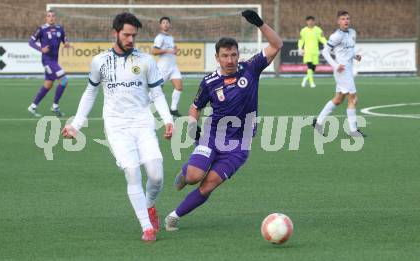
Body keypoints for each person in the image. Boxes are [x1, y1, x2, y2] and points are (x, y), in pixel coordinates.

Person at [164, 10, 282, 231]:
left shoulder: (251, 68)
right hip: (212, 136)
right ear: (217, 57)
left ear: (238, 55)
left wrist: (259, 23)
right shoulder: (209, 81)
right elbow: (195, 106)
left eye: (233, 55)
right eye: (225, 56)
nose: (230, 60)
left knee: (208, 185)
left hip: (239, 145)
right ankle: (184, 173)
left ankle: (174, 215)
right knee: (194, 176)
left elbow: (276, 45)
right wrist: (191, 124)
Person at [62, 12, 174, 242]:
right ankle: (147, 227)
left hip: (143, 123)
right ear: (115, 33)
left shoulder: (146, 61)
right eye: (126, 34)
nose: (131, 39)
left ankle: (149, 205)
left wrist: (168, 120)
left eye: (134, 35)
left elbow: (157, 93)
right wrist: (76, 125)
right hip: (116, 126)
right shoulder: (100, 61)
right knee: (132, 171)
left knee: (156, 176)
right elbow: (90, 92)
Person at [313, 11, 366, 137]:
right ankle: (353, 130)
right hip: (342, 72)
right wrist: (336, 66)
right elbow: (325, 51)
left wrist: (355, 56)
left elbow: (348, 50)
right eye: (343, 19)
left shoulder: (352, 32)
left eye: (348, 18)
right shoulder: (336, 36)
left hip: (348, 70)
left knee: (338, 100)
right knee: (353, 98)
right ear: (338, 21)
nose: (346, 21)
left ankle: (318, 122)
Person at [28, 10, 70, 117]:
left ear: (55, 18)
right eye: (49, 16)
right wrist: (40, 49)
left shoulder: (60, 28)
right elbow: (31, 42)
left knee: (48, 84)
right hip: (47, 61)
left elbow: (64, 39)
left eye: (53, 16)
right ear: (45, 18)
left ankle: (33, 106)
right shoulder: (42, 29)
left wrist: (66, 43)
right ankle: (55, 106)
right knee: (64, 80)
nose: (51, 18)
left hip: (54, 61)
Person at [152, 17, 183, 117]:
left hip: (173, 67)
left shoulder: (170, 37)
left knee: (179, 87)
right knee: (157, 89)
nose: (165, 24)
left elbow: (172, 50)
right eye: (163, 22)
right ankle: (145, 106)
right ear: (160, 25)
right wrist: (167, 50)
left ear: (169, 25)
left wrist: (175, 50)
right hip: (163, 67)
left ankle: (173, 109)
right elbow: (154, 51)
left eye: (167, 23)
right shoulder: (159, 37)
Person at [298, 16, 327, 88]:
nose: (310, 22)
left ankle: (306, 78)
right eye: (309, 21)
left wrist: (326, 44)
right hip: (307, 52)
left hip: (315, 52)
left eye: (312, 21)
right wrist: (300, 48)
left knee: (313, 68)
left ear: (314, 21)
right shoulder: (303, 30)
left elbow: (322, 38)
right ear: (306, 22)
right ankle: (311, 83)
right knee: (309, 66)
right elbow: (301, 40)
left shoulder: (318, 30)